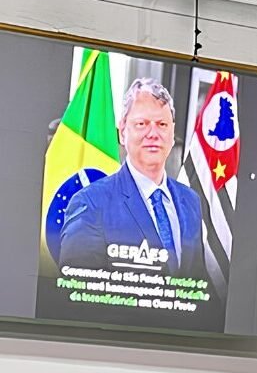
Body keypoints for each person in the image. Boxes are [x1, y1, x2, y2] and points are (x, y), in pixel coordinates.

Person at [59, 78, 206, 279]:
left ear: (172, 134)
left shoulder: (190, 201)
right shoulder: (91, 203)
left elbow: (197, 284)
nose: (153, 134)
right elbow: (76, 288)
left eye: (162, 124)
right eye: (141, 124)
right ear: (122, 132)